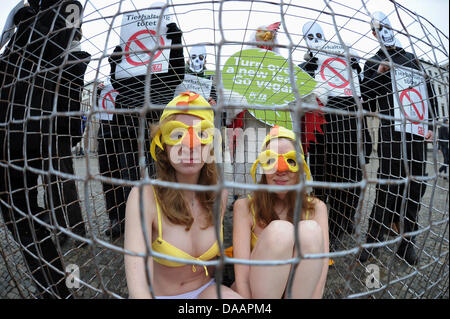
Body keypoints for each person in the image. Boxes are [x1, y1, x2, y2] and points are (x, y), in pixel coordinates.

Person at [0, 0, 89, 298]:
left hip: (26, 128)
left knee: (25, 210)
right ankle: (50, 285)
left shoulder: (63, 6)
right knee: (20, 215)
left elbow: (49, 53)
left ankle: (55, 286)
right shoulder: (21, 13)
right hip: (11, 120)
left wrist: (29, 20)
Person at [124, 91, 242, 299]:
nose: (190, 144)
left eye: (202, 134)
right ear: (163, 144)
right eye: (177, 135)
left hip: (207, 292)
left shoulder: (219, 194)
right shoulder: (144, 196)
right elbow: (138, 290)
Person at [359, 11, 437, 265]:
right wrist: (380, 72)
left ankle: (407, 242)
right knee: (388, 186)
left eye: (385, 27)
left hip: (415, 135)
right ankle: (373, 240)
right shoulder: (372, 63)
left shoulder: (411, 58)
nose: (383, 31)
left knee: (415, 187)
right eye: (377, 29)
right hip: (391, 134)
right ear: (373, 33)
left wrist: (431, 123)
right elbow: (367, 96)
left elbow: (429, 93)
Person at [105, 2, 185, 239]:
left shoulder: (169, 42)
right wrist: (114, 63)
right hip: (127, 121)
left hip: (155, 119)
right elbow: (118, 84)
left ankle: (162, 223)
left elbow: (177, 75)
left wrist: (175, 43)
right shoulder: (127, 48)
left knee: (160, 170)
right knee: (130, 175)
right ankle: (137, 222)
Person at [232, 125, 329, 299]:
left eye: (290, 161)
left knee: (310, 231)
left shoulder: (316, 208)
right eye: (271, 161)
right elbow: (242, 278)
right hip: (257, 297)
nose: (280, 170)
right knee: (281, 231)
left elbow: (321, 272)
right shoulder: (244, 207)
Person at [299, 21, 372, 247]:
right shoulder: (306, 66)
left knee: (350, 176)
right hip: (323, 129)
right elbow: (301, 96)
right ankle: (321, 222)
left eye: (319, 34)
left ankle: (342, 221)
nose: (316, 39)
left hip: (350, 126)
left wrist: (355, 68)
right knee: (321, 178)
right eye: (311, 37)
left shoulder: (349, 62)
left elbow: (363, 95)